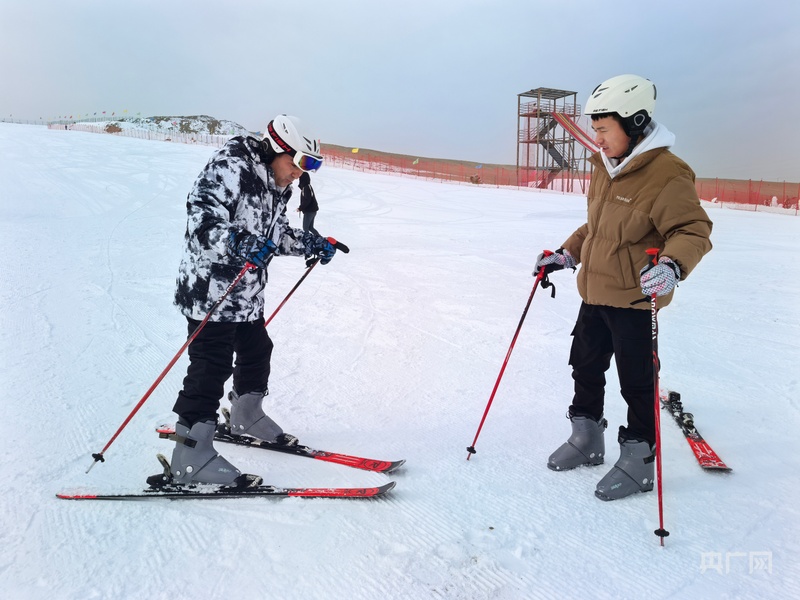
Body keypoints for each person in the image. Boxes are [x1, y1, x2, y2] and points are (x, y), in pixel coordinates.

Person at [534, 74, 712, 501]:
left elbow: (693, 229)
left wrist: (672, 264)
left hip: (635, 299)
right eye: (594, 129)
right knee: (585, 367)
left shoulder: (667, 173)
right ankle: (587, 438)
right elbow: (597, 226)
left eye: (603, 129)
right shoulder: (604, 167)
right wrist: (566, 253)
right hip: (594, 293)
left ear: (635, 123)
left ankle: (639, 459)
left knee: (636, 382)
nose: (596, 138)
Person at [168, 114, 337, 487]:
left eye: (307, 167)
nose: (298, 174)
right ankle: (190, 455)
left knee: (258, 350)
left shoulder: (276, 184)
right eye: (297, 163)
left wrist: (311, 242)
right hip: (210, 291)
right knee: (210, 367)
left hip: (245, 296)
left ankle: (246, 416)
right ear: (276, 149)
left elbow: (274, 234)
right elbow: (201, 223)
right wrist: (237, 241)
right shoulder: (230, 168)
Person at [297, 171, 320, 237]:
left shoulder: (306, 188)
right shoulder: (308, 186)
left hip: (309, 211)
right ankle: (320, 238)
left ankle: (307, 240)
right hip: (312, 210)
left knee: (305, 228)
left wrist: (300, 208)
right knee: (310, 228)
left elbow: (307, 200)